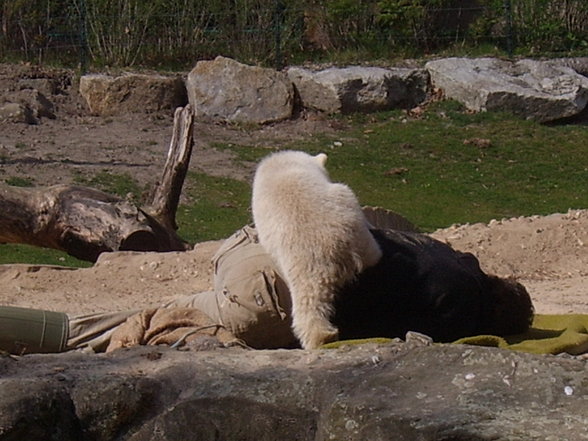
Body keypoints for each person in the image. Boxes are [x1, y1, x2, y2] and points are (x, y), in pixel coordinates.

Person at [0, 222, 534, 355]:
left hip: (253, 245)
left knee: (144, 318)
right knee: (99, 333)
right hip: (274, 300)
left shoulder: (447, 254)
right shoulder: (460, 311)